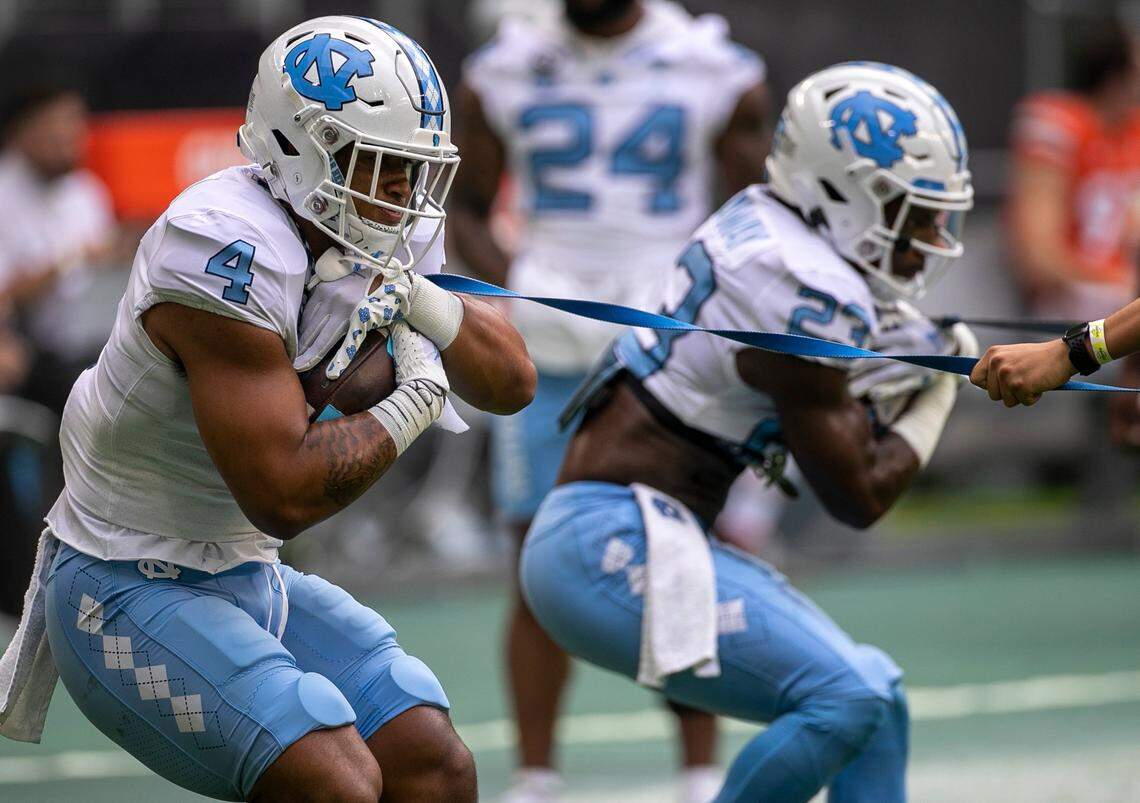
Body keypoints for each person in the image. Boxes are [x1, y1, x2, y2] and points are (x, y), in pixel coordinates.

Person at [0, 16, 536, 803]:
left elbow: (511, 381)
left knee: (432, 760)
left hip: (243, 569)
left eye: (412, 168)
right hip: (122, 582)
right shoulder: (217, 246)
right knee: (334, 780)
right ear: (302, 147)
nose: (402, 194)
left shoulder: (379, 223)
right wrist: (418, 395)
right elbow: (281, 491)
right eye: (382, 165)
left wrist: (425, 300)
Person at [519, 62, 975, 803]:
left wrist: (919, 355)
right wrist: (941, 387)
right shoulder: (801, 287)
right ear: (843, 192)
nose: (927, 239)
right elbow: (859, 495)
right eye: (913, 212)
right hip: (606, 542)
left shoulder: (774, 227)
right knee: (845, 696)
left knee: (877, 694)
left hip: (637, 529)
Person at [450, 1, 769, 797]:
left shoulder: (713, 65)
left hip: (663, 350)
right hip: (549, 346)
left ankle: (699, 771)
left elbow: (758, 215)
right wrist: (514, 289)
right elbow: (461, 206)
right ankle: (536, 773)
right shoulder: (503, 68)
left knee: (680, 548)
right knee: (535, 558)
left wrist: (705, 305)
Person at [1006, 20, 1140, 322]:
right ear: (1116, 74)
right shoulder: (1057, 124)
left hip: (1120, 295)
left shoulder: (1133, 130)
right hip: (1070, 302)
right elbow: (1038, 259)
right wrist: (1116, 283)